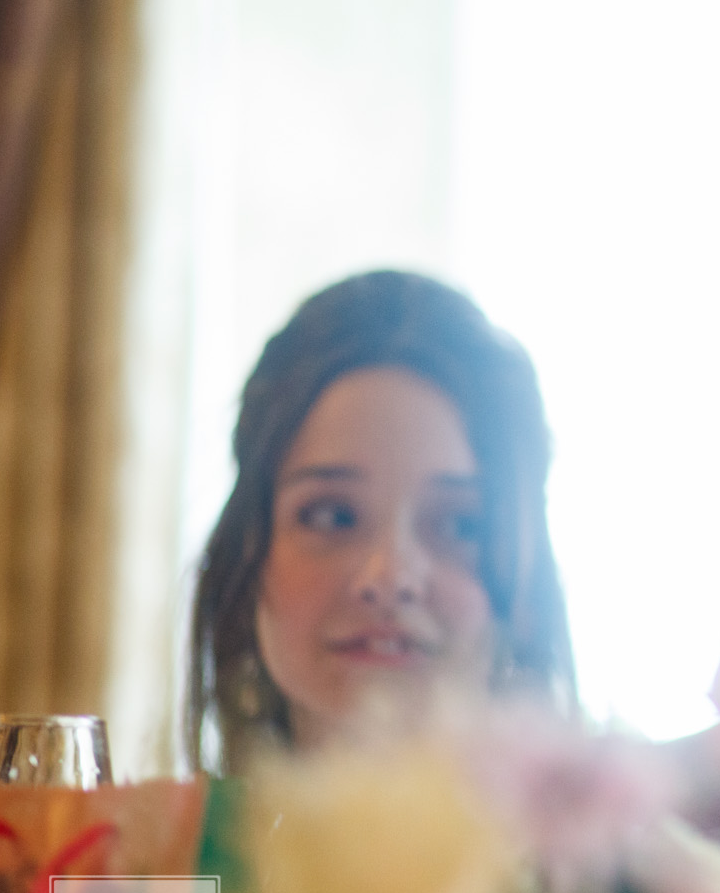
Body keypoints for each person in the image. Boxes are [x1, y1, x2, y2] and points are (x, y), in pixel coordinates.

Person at [186, 269, 572, 774]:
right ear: (246, 549)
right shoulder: (128, 852)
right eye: (332, 515)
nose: (388, 578)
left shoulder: (637, 854)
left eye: (460, 526)